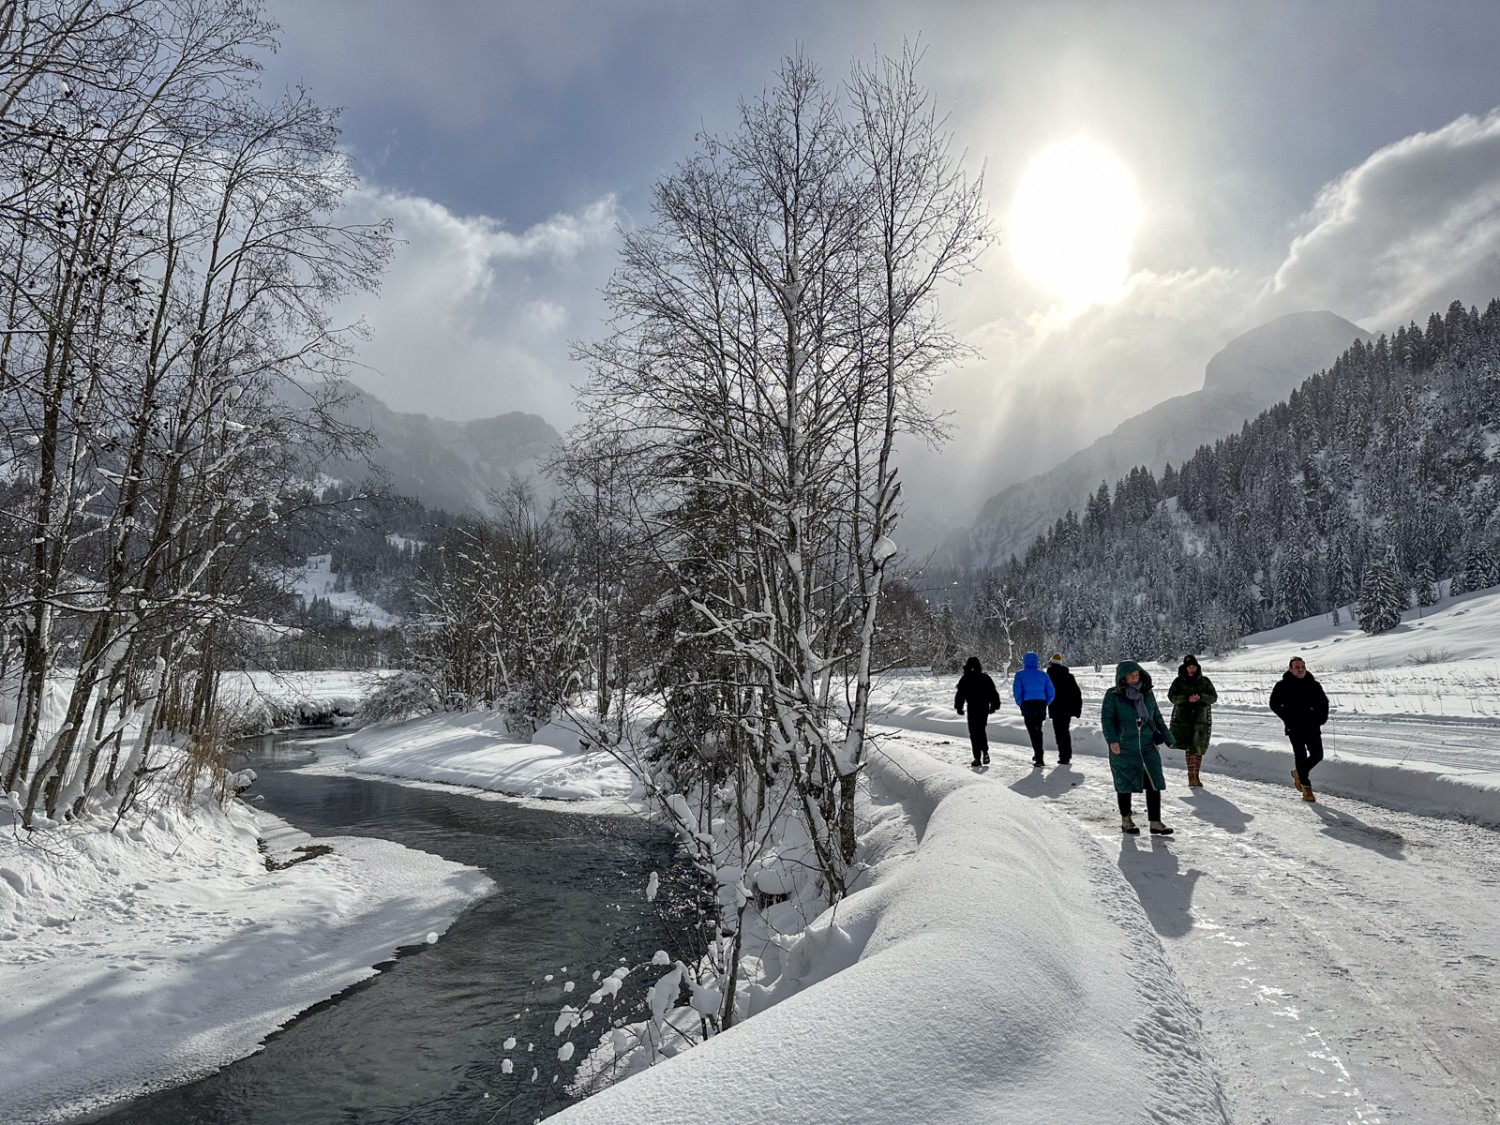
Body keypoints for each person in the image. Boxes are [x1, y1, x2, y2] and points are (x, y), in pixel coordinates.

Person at [1101, 661, 1175, 835]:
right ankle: (1126, 820)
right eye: (1130, 676)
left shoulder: (1147, 694)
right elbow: (1107, 720)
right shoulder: (1113, 695)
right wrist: (1112, 740)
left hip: (1148, 743)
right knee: (1125, 783)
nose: (1134, 679)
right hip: (1124, 745)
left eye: (1136, 675)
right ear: (1122, 677)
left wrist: (1168, 737)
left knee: (1154, 782)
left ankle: (1155, 822)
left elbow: (1156, 716)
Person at [1269, 655, 1329, 802]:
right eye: (1297, 667)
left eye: (1303, 667)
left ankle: (1299, 773)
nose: (1301, 669)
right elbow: (1274, 704)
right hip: (1294, 727)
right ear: (1291, 669)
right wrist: (1288, 718)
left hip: (1312, 726)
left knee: (1318, 755)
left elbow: (1324, 702)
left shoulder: (1313, 684)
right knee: (1301, 755)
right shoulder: (1282, 685)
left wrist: (1321, 719)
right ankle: (1306, 788)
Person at [1167, 655, 1218, 787]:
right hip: (1183, 719)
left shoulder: (1205, 681)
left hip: (1201, 719)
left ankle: (1196, 775)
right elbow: (1172, 697)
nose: (1192, 669)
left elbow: (1213, 697)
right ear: (1185, 668)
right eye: (1189, 666)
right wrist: (1186, 699)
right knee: (1190, 747)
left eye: (1194, 666)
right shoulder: (1178, 681)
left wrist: (1201, 697)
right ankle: (1192, 776)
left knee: (1198, 747)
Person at [954, 656, 1001, 767]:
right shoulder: (985, 678)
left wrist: (959, 708)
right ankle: (985, 752)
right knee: (981, 730)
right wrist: (994, 706)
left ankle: (976, 757)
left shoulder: (965, 678)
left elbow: (960, 695)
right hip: (983, 708)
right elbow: (993, 693)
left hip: (972, 708)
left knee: (974, 733)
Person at [1012, 651, 1056, 767]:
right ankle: (1038, 754)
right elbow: (1051, 691)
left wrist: (1021, 703)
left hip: (1028, 704)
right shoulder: (1043, 675)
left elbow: (1017, 691)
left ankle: (1039, 756)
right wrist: (1046, 702)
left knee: (1032, 731)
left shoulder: (1020, 675)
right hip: (1040, 703)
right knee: (1038, 729)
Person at [1045, 652, 1082, 764]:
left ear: (1051, 663)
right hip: (1067, 709)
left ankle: (1064, 756)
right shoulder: (1069, 676)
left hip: (1056, 709)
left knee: (1060, 733)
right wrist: (1077, 709)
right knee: (1064, 731)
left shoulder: (1049, 676)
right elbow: (1077, 693)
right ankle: (1066, 754)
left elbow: (1046, 693)